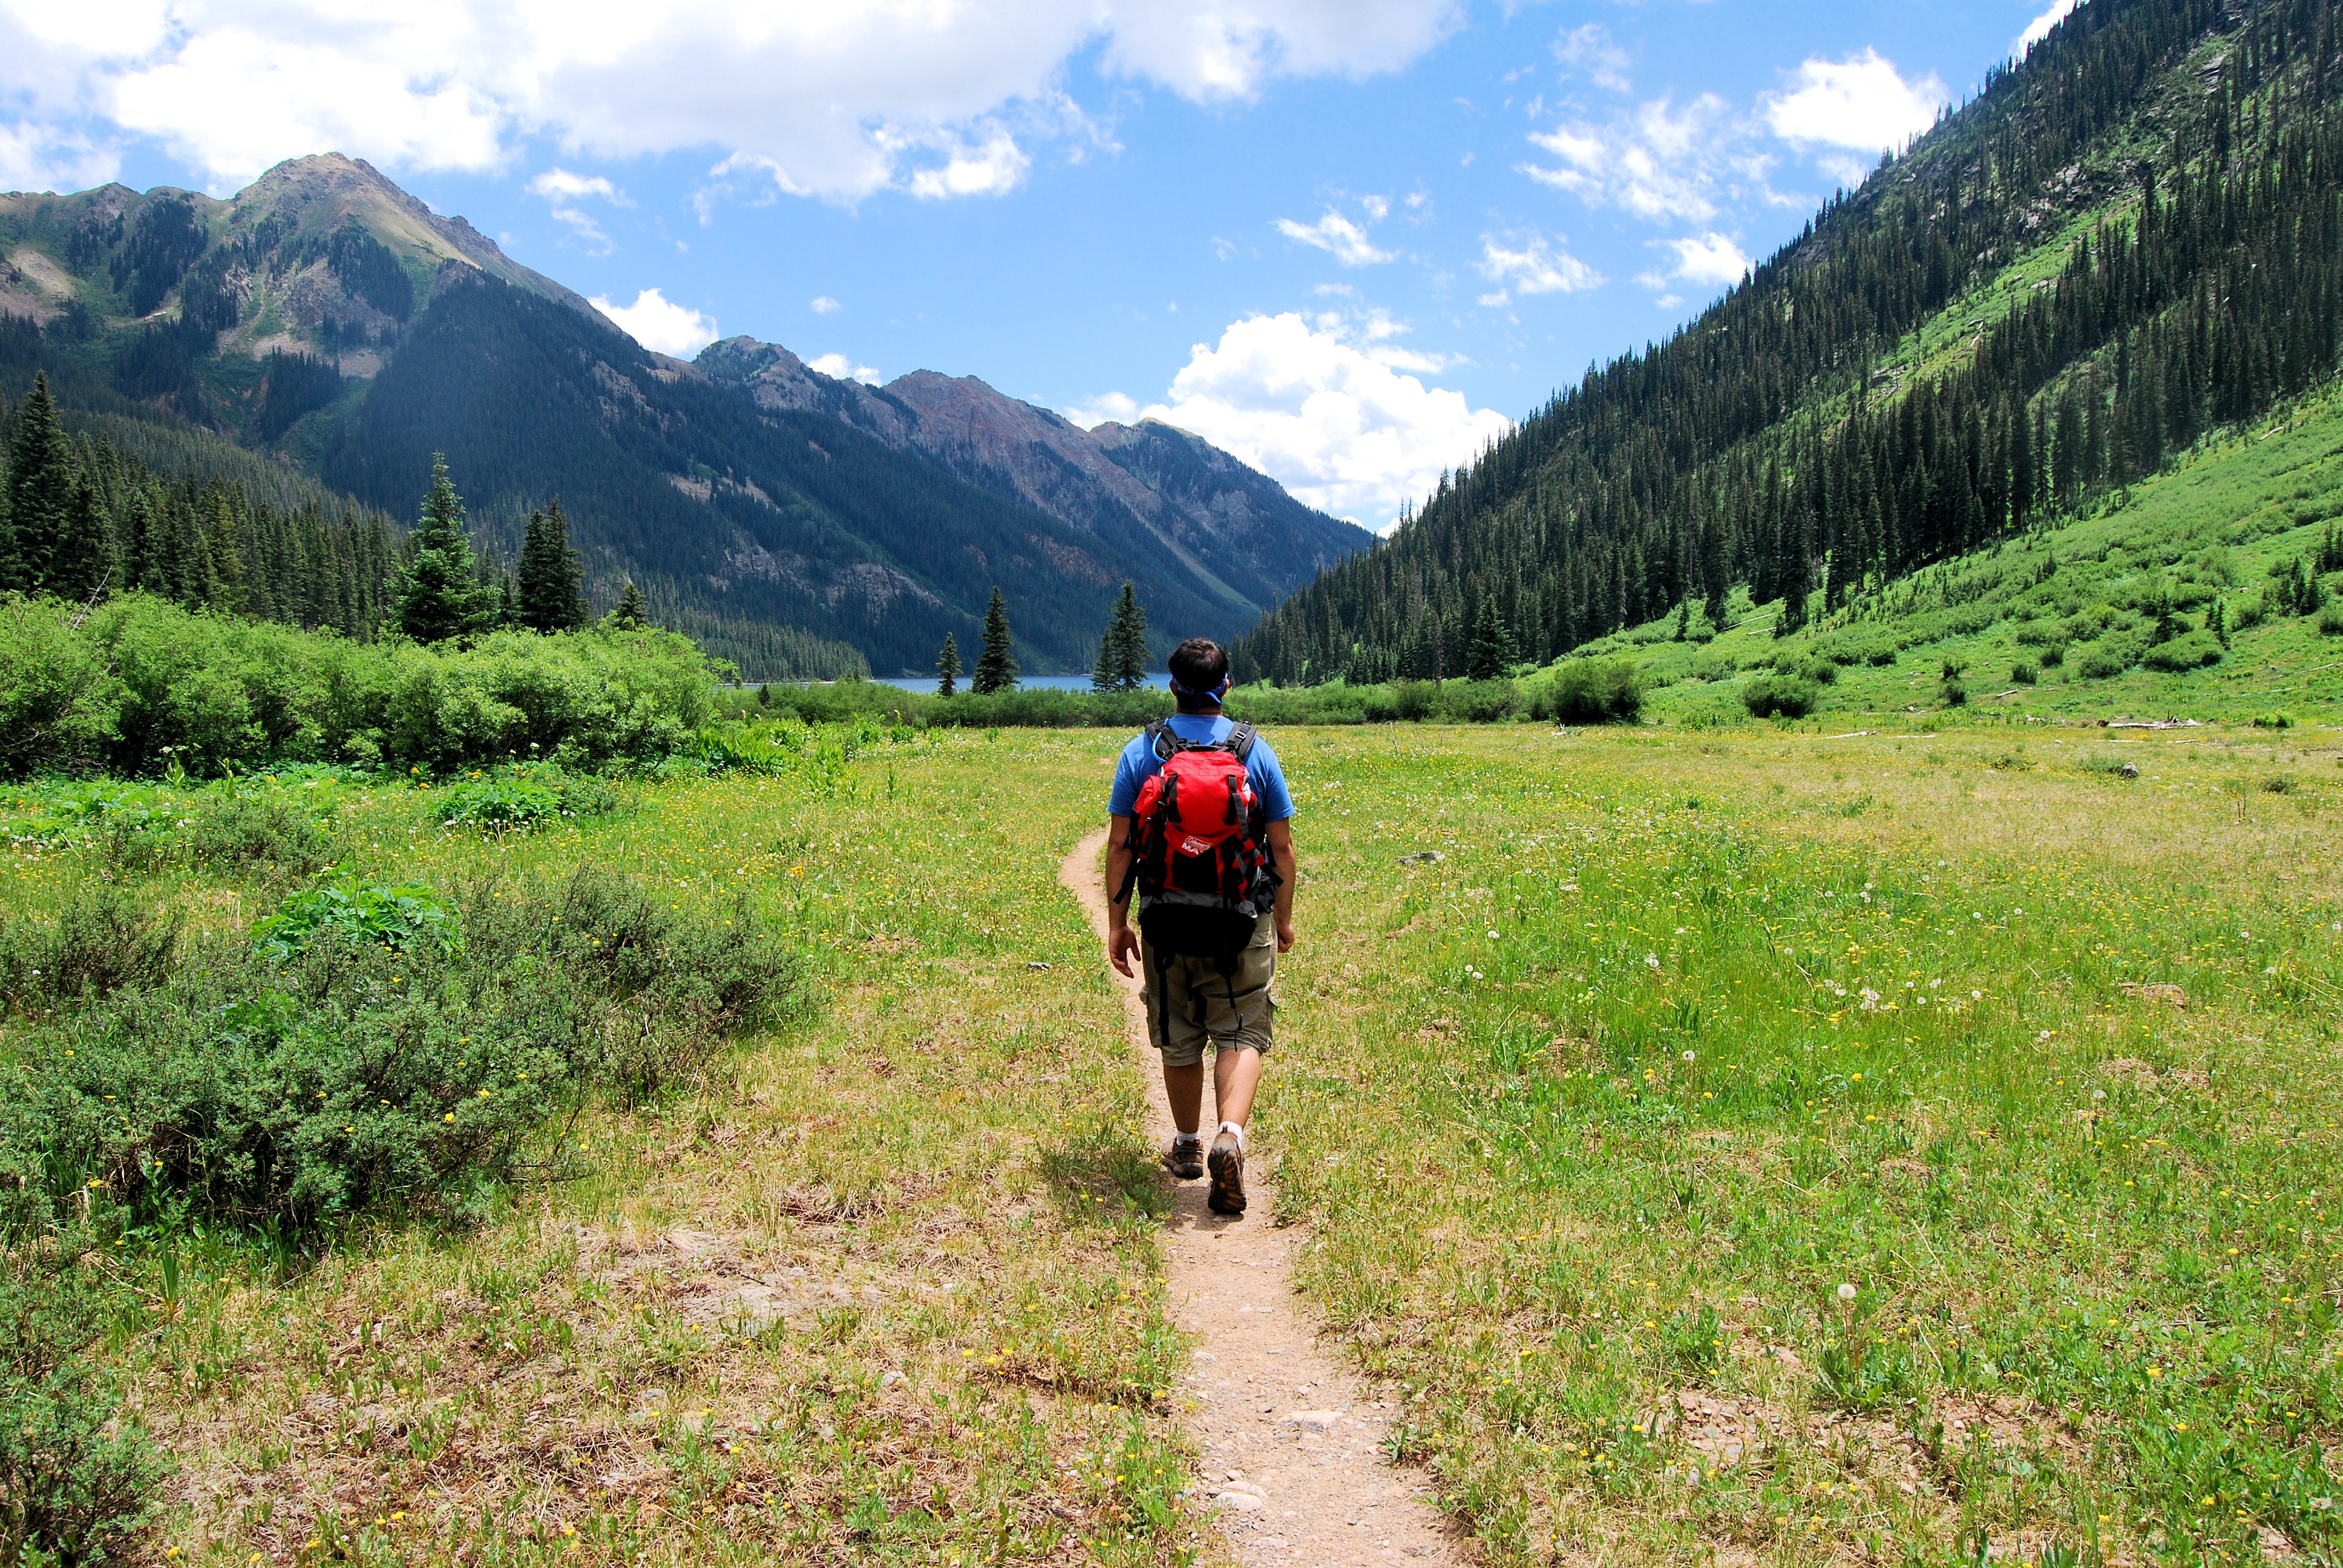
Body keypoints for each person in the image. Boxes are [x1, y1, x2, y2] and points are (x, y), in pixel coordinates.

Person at [1103, 637, 1296, 1215]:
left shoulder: (1143, 751)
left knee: (1179, 1029)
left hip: (1166, 918)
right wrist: (1282, 920)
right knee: (1241, 1029)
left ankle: (1187, 1145)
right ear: (1227, 687)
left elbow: (1120, 844)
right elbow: (1281, 849)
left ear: (1172, 688)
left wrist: (1118, 923)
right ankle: (1229, 1138)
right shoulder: (1255, 752)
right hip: (1240, 920)